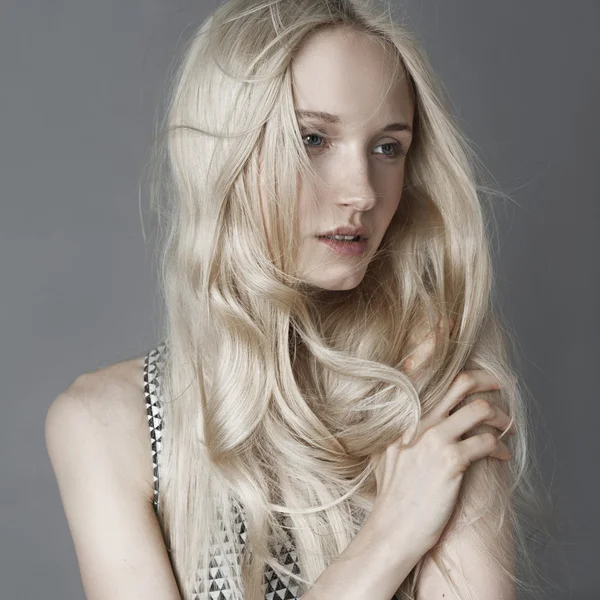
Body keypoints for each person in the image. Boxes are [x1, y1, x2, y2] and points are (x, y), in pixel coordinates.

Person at [45, 0, 551, 599]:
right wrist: (390, 535)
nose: (362, 191)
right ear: (226, 151)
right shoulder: (107, 426)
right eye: (313, 138)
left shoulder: (435, 378)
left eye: (388, 147)